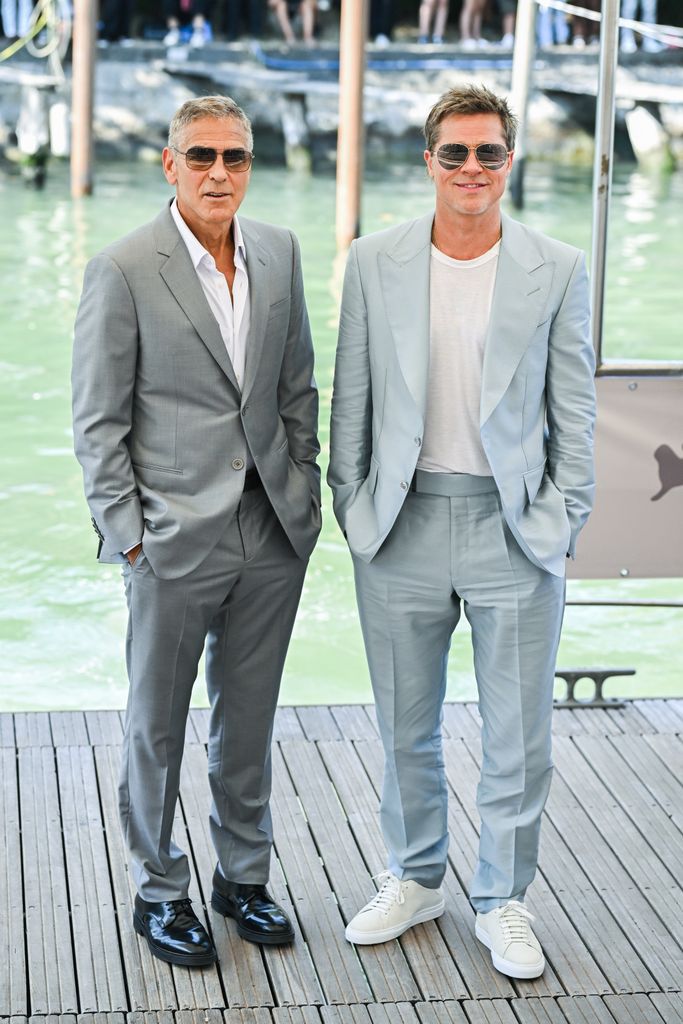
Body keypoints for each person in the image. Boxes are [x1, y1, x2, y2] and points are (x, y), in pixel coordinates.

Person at [328, 83, 595, 979]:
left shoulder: (556, 267)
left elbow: (576, 413)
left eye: (487, 153)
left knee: (518, 734)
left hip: (513, 527)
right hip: (399, 523)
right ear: (430, 161)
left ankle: (501, 899)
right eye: (454, 153)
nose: (471, 169)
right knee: (405, 722)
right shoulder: (374, 260)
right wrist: (355, 511)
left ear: (508, 161)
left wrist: (558, 521)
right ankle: (414, 877)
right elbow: (351, 402)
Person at [72, 95, 321, 968]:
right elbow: (98, 423)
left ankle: (241, 879)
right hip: (171, 539)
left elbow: (297, 390)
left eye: (237, 158)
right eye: (203, 156)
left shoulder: (281, 254)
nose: (221, 172)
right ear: (170, 165)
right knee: (157, 723)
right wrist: (130, 535)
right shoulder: (124, 268)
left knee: (247, 720)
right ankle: (160, 891)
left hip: (271, 528)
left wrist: (307, 494)